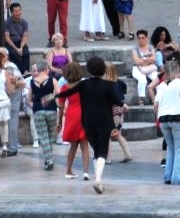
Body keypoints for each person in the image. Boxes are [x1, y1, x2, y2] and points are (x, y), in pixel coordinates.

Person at [54, 57, 126, 194]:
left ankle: (91, 176)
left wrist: (53, 98)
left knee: (89, 148)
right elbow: (118, 101)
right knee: (99, 151)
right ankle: (95, 177)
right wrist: (122, 102)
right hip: (102, 121)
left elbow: (65, 95)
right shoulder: (107, 85)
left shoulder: (83, 84)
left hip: (86, 120)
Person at [57, 62, 90, 179]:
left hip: (71, 116)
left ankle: (68, 171)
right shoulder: (85, 85)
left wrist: (59, 122)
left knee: (73, 146)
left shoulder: (64, 87)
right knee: (85, 146)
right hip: (85, 115)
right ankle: (86, 172)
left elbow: (61, 107)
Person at [26, 61, 60, 171]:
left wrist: (35, 107)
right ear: (46, 69)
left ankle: (48, 159)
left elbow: (28, 99)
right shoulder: (52, 80)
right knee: (50, 136)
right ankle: (49, 159)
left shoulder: (32, 82)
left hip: (38, 111)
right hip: (51, 110)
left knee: (43, 136)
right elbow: (59, 95)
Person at [132, 30, 160, 104]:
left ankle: (159, 97)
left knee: (156, 79)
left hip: (149, 68)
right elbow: (137, 62)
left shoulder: (150, 47)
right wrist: (148, 59)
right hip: (137, 68)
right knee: (142, 79)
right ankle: (141, 99)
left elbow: (154, 59)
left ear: (146, 38)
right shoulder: (135, 49)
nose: (141, 40)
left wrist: (143, 60)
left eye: (142, 38)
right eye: (139, 38)